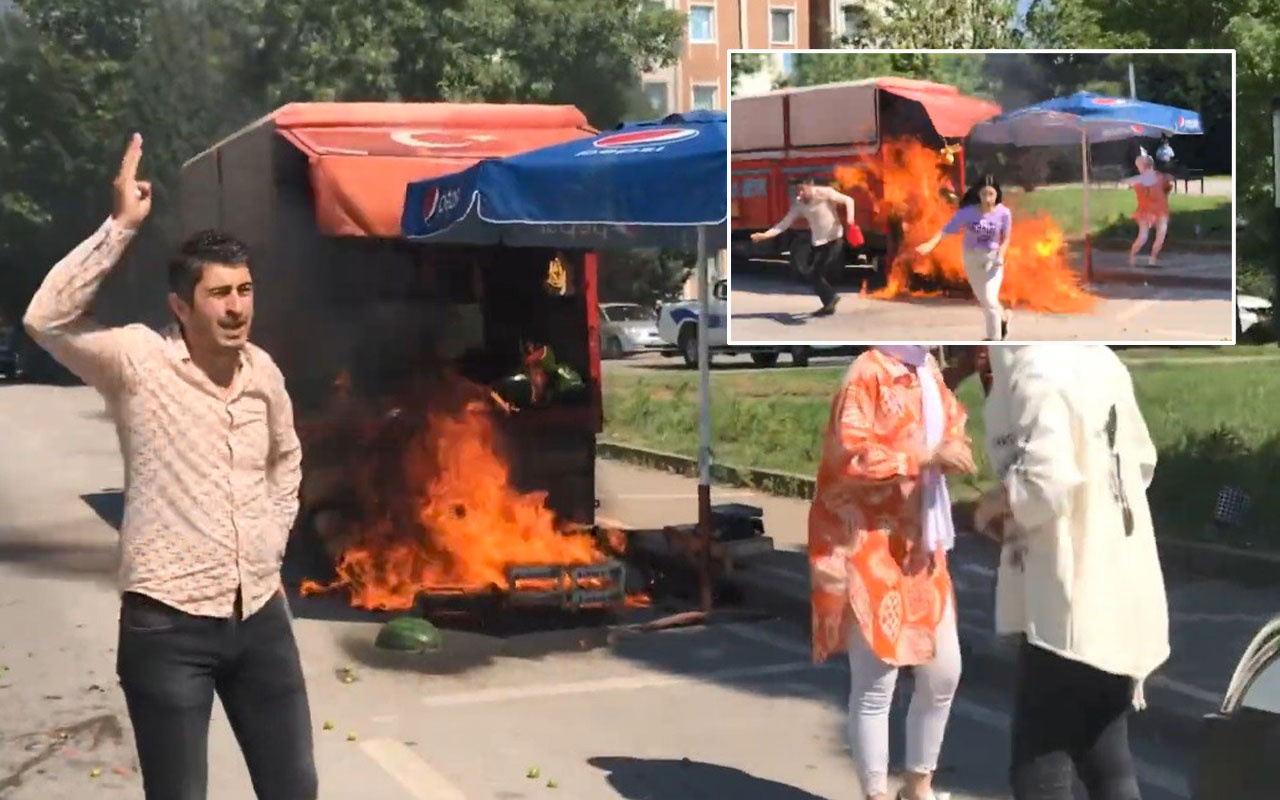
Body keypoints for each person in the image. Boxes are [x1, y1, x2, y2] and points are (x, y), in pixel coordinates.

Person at [23, 134, 318, 800]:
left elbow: (287, 456)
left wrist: (273, 534)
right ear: (182, 307)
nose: (237, 306)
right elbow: (46, 319)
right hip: (168, 628)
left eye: (244, 290)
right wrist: (121, 226)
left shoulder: (262, 372)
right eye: (218, 294)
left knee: (295, 789)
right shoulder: (137, 362)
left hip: (262, 618)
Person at [973, 345, 1170, 800]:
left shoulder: (1035, 370)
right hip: (1119, 584)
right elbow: (1141, 463)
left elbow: (1046, 485)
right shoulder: (1100, 358)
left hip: (1065, 600)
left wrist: (992, 505)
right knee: (1107, 757)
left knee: (1040, 766)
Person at [809, 345, 978, 800]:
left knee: (944, 671)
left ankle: (917, 786)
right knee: (876, 679)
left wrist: (956, 447)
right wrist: (923, 458)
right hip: (867, 540)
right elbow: (851, 455)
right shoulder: (865, 372)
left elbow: (952, 419)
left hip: (921, 542)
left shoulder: (924, 368)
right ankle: (876, 793)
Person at [915, 175, 1013, 341]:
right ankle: (1003, 318)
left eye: (991, 194)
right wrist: (930, 244)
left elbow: (1006, 238)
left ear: (997, 194)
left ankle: (994, 339)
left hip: (993, 260)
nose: (988, 199)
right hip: (971, 258)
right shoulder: (967, 213)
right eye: (984, 194)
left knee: (989, 299)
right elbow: (946, 230)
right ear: (978, 194)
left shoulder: (1004, 213)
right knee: (986, 300)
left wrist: (1001, 256)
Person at [750, 176, 856, 317]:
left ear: (810, 185)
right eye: (797, 190)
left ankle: (830, 299)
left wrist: (850, 220)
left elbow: (849, 200)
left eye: (802, 190)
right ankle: (830, 302)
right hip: (819, 242)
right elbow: (784, 224)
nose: (799, 194)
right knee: (814, 274)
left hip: (834, 239)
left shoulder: (825, 193)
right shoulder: (799, 203)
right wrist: (765, 235)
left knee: (817, 273)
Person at [1122, 154, 1174, 268]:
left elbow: (1166, 187)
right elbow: (1135, 182)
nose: (1140, 168)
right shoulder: (1142, 180)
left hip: (1160, 209)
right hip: (1146, 210)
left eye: (1140, 166)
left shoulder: (1158, 177)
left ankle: (1152, 257)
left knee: (1159, 235)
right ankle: (1133, 256)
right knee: (1144, 236)